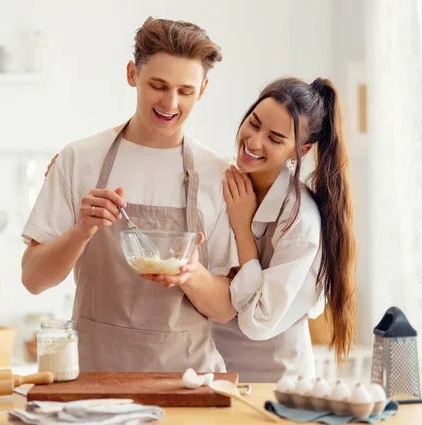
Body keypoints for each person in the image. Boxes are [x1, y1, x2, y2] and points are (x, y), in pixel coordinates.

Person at [21, 16, 237, 373]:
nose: (169, 102)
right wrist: (81, 231)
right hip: (95, 377)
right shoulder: (79, 159)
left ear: (202, 90)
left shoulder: (217, 175)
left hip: (186, 381)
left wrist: (190, 274)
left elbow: (226, 308)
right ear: (131, 75)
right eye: (158, 85)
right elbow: (33, 279)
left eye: (185, 90)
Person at [146, 77, 358, 382]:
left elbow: (258, 321)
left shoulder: (299, 219)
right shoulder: (223, 177)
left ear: (300, 150)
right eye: (253, 123)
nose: (254, 142)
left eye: (274, 138)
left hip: (276, 377)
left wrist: (243, 230)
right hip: (211, 366)